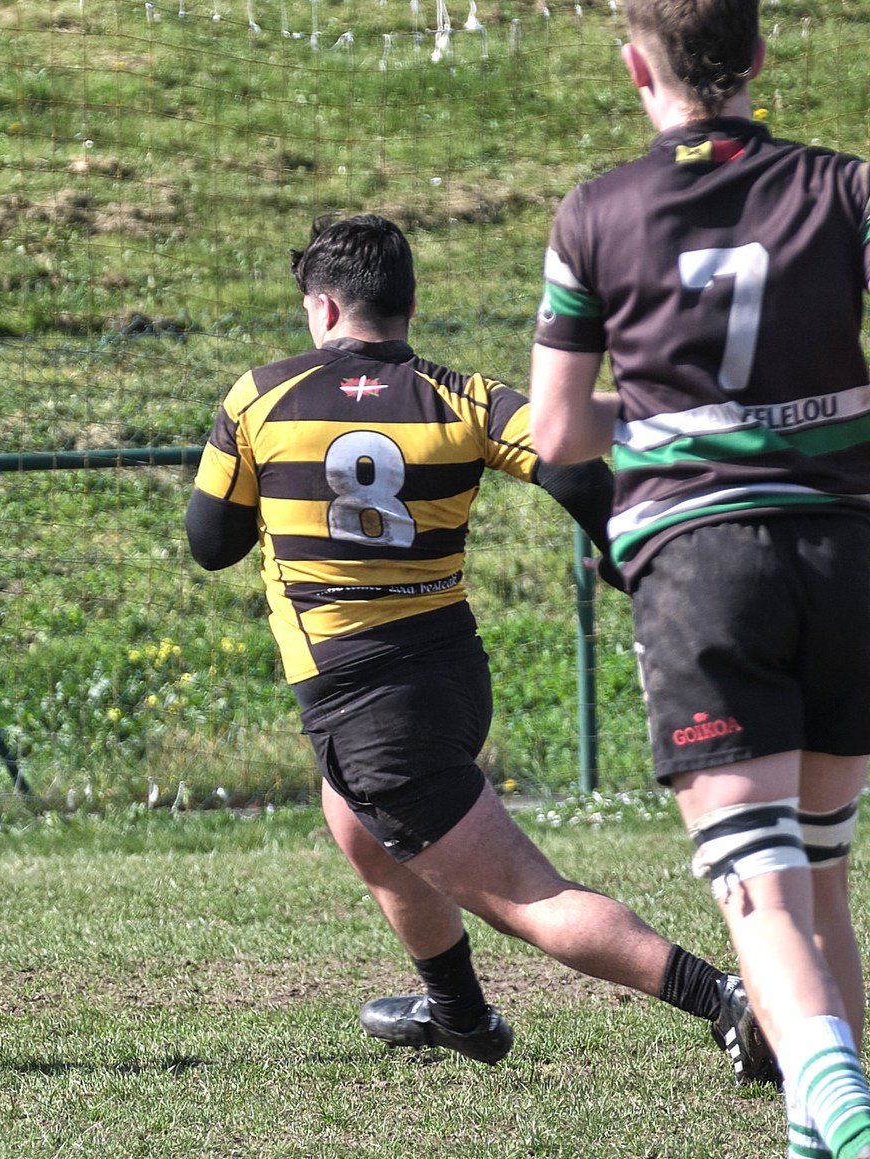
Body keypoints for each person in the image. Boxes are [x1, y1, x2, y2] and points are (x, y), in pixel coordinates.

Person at [186, 213, 769, 1086]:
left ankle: (728, 1003)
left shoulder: (261, 398)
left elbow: (211, 542)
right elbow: (570, 460)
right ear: (407, 305)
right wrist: (622, 552)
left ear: (323, 307)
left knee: (528, 898)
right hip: (448, 673)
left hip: (363, 698)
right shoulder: (458, 397)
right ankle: (457, 1012)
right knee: (358, 823)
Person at [529, 0, 870, 1159]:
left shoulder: (594, 214)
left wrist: (682, 412)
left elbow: (558, 435)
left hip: (701, 568)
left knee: (758, 887)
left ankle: (847, 1125)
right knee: (821, 875)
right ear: (760, 60)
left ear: (634, 65)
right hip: (841, 555)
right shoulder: (844, 188)